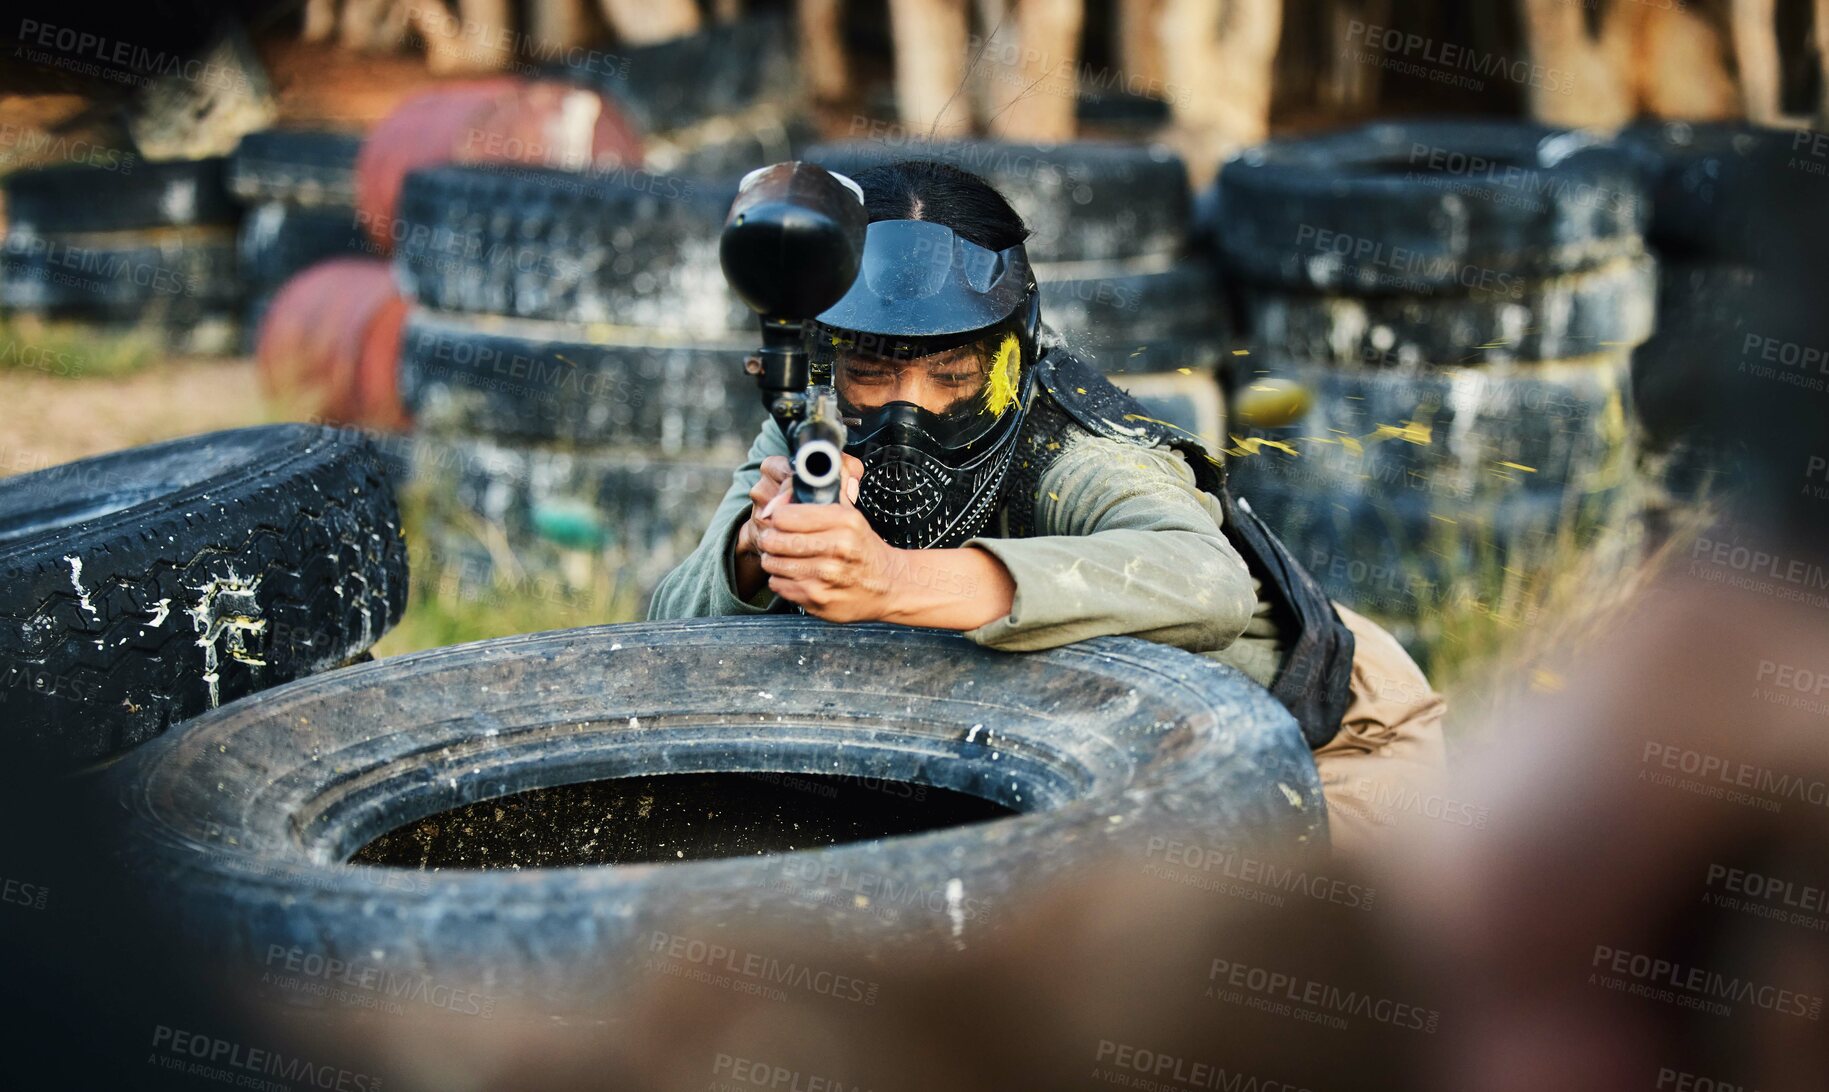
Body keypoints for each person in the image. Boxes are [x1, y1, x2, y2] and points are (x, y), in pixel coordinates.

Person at [649, 159, 1445, 857]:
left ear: (1014, 354)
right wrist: (757, 553)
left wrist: (890, 579)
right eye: (869, 371)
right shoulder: (812, 427)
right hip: (1119, 742)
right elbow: (661, 646)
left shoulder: (1072, 449)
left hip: (1324, 736)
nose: (907, 408)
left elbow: (1209, 583)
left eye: (953, 376)